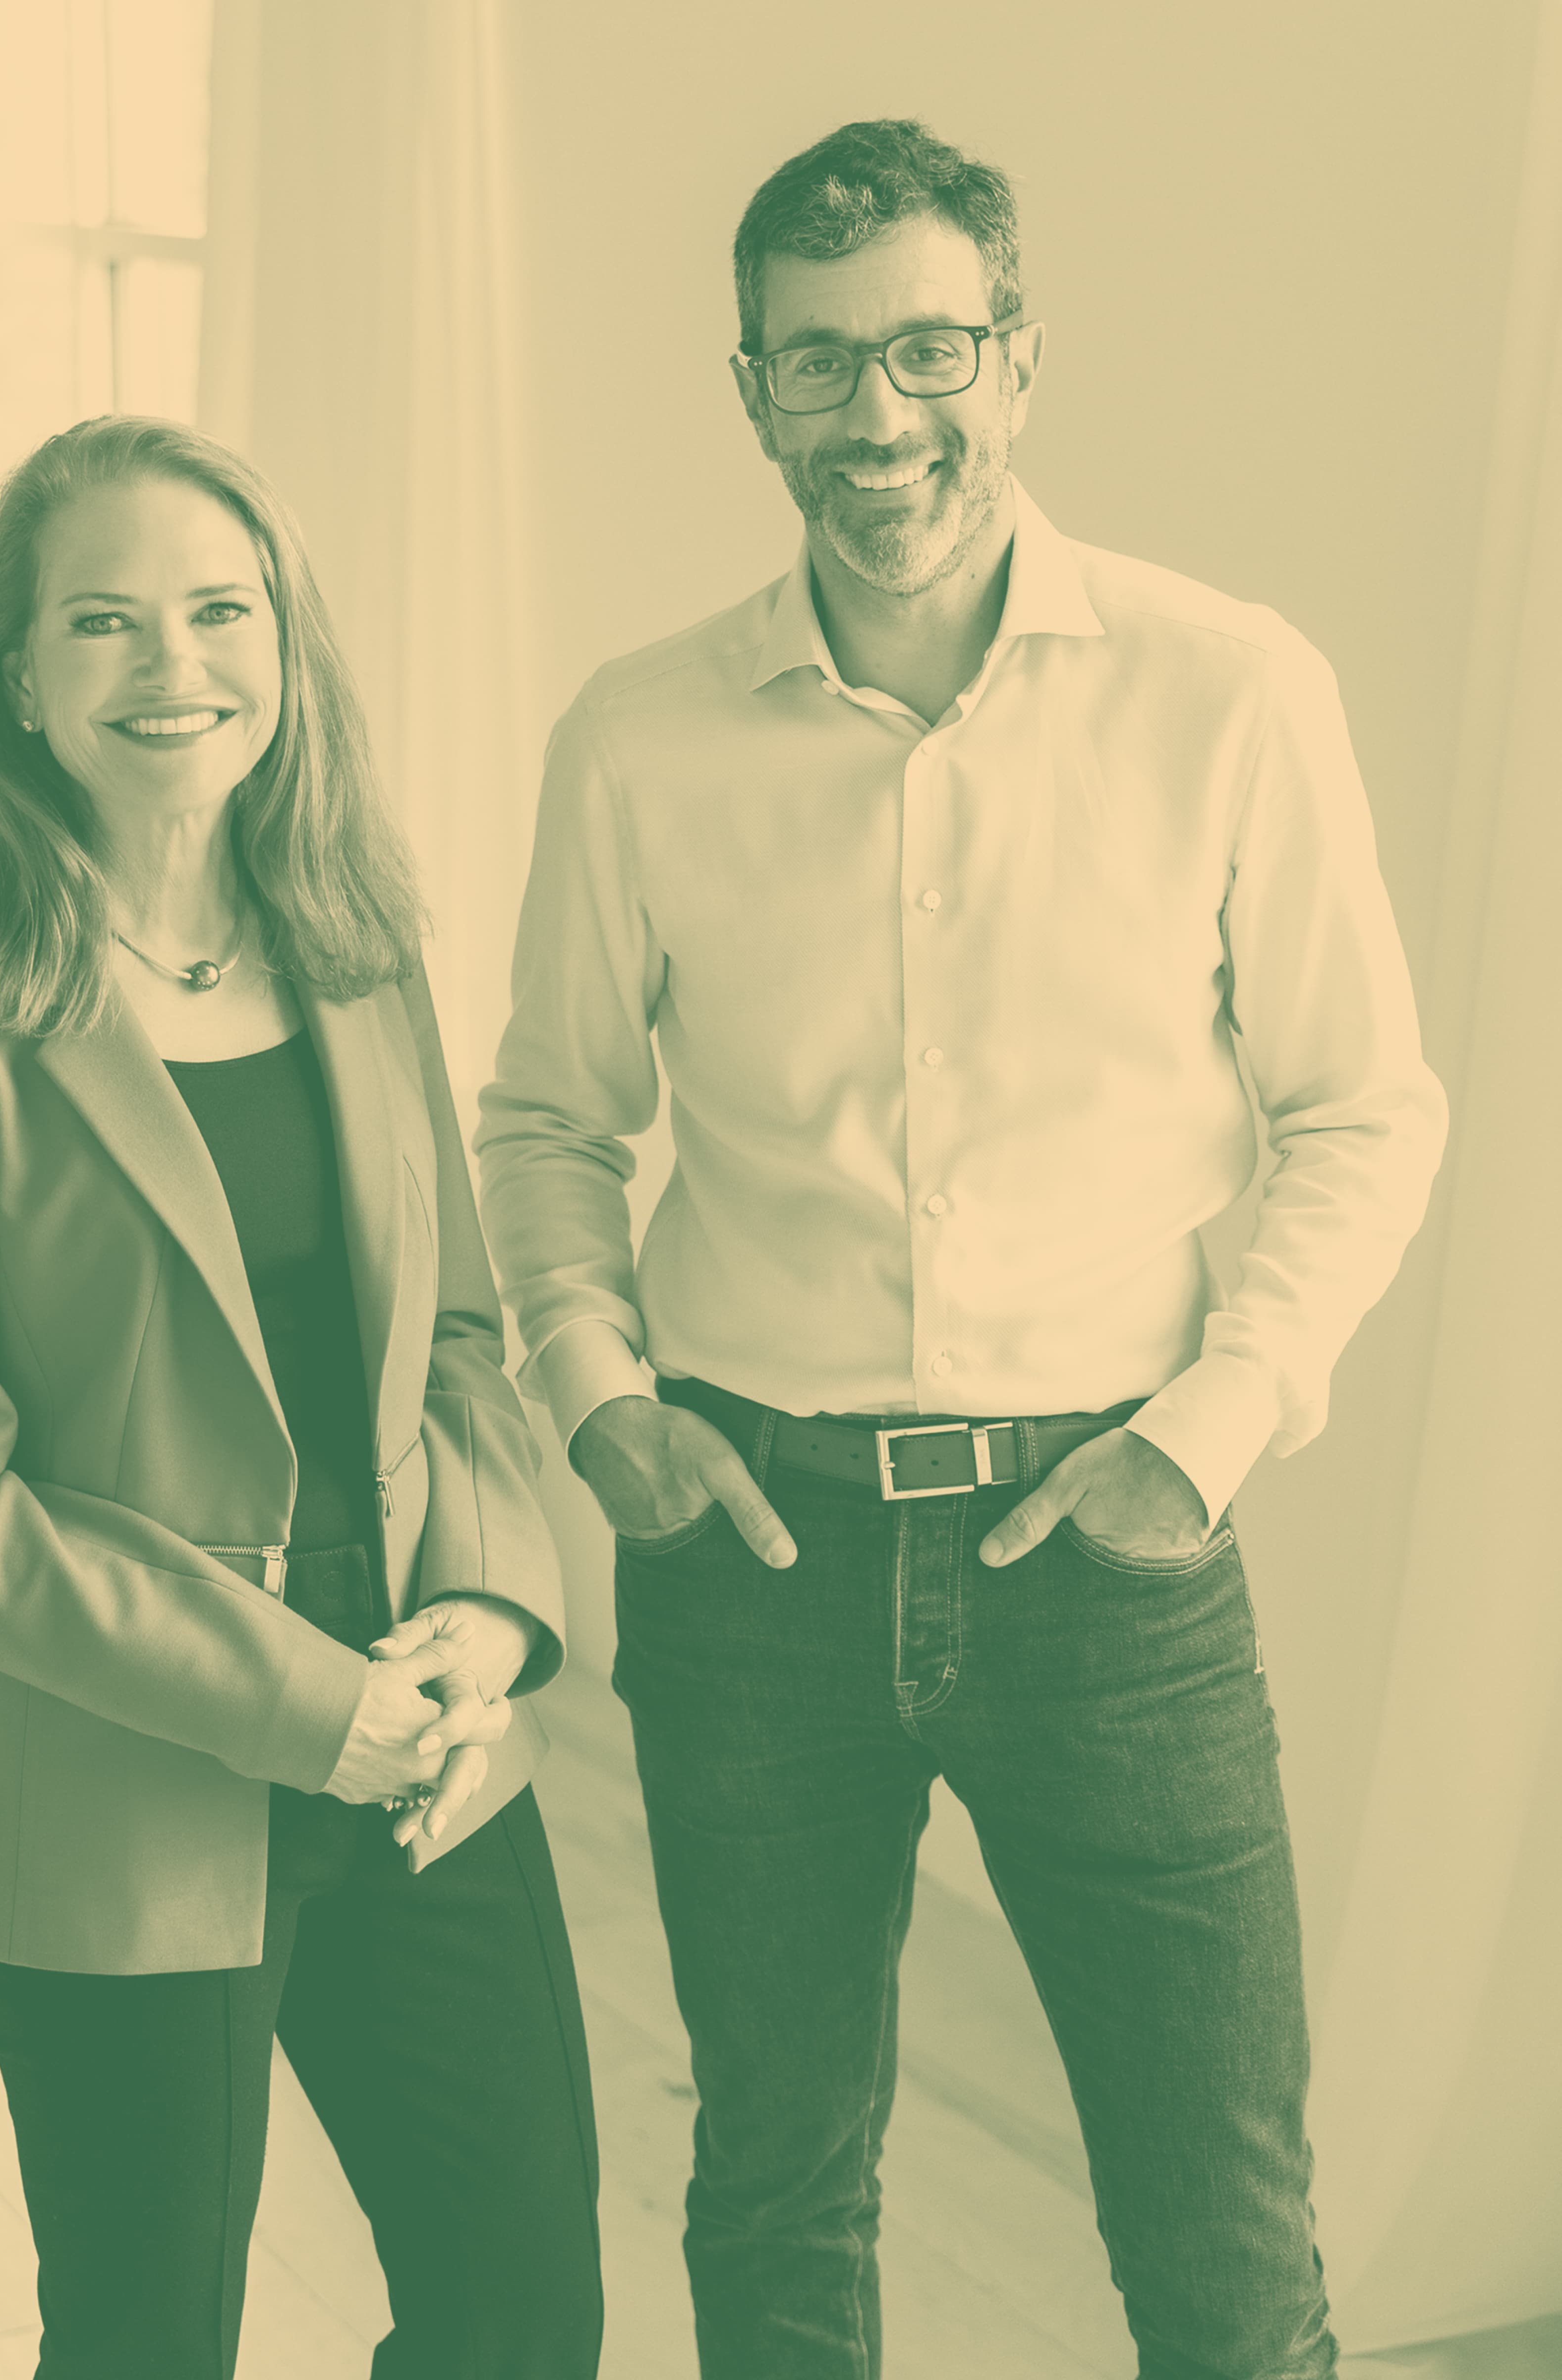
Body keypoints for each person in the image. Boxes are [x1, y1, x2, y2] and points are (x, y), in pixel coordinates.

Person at [475, 119, 1447, 2380]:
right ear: (750, 394)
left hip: (1111, 1553)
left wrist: (1200, 1438)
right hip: (750, 1556)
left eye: (930, 352)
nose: (879, 421)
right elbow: (544, 1117)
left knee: (1220, 2226)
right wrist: (602, 1399)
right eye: (819, 367)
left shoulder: (1231, 689)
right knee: (778, 2192)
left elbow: (1364, 1106)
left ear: (1021, 361)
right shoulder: (638, 736)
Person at [0, 415, 602, 2380]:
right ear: (21, 678)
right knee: (150, 2341)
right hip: (114, 1775)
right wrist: (310, 1707)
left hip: (429, 1733)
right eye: (106, 621)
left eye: (219, 611)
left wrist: (495, 1620)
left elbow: (466, 1345)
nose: (175, 666)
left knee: (523, 2315)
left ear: (285, 644)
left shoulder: (355, 939)